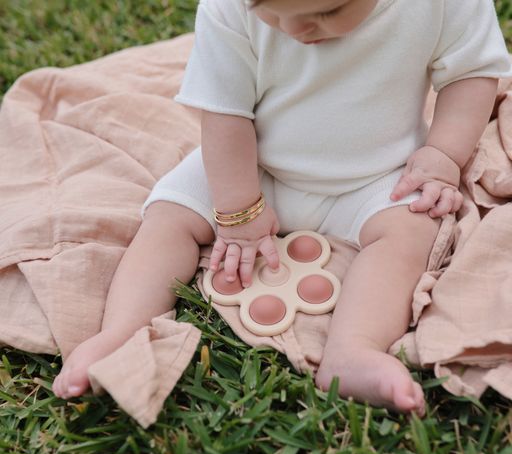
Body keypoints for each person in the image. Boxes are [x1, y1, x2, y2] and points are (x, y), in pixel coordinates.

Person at [53, 0, 511, 415]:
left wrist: (443, 156)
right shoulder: (229, 8)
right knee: (168, 217)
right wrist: (239, 211)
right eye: (269, 12)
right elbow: (224, 115)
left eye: (328, 13)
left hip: (379, 175)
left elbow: (469, 74)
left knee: (412, 232)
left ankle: (354, 350)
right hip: (251, 167)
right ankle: (120, 332)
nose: (295, 29)